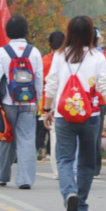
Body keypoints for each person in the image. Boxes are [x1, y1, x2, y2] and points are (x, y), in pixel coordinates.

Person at [43, 15, 106, 211]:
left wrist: (47, 110)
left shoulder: (59, 56)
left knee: (65, 159)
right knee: (87, 162)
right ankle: (82, 204)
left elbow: (51, 85)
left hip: (64, 115)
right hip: (90, 116)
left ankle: (70, 194)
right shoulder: (98, 57)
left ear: (69, 33)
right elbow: (104, 85)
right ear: (91, 34)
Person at [0, 15, 44, 189]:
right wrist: (37, 100)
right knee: (27, 138)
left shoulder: (2, 52)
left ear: (8, 32)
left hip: (8, 102)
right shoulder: (34, 52)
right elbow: (39, 78)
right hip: (28, 102)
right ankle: (25, 180)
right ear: (26, 31)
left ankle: (3, 175)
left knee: (7, 137)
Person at [42, 31, 65, 180]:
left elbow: (45, 84)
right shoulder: (71, 59)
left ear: (49, 45)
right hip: (70, 102)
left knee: (54, 136)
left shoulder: (45, 60)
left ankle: (57, 170)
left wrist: (46, 109)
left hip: (50, 102)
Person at [93, 27, 106, 179]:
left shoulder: (75, 54)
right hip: (100, 100)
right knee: (96, 134)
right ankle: (95, 167)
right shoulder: (104, 55)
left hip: (78, 101)